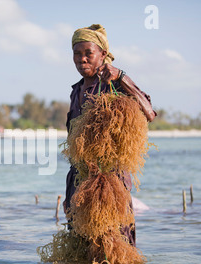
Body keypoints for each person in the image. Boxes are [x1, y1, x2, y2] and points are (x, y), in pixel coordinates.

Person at [63, 24, 156, 247]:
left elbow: (149, 113)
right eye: (77, 54)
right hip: (80, 180)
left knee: (116, 242)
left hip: (111, 181)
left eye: (88, 54)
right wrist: (70, 194)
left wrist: (121, 76)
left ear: (103, 55)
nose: (82, 59)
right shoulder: (76, 90)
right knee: (81, 243)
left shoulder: (114, 82)